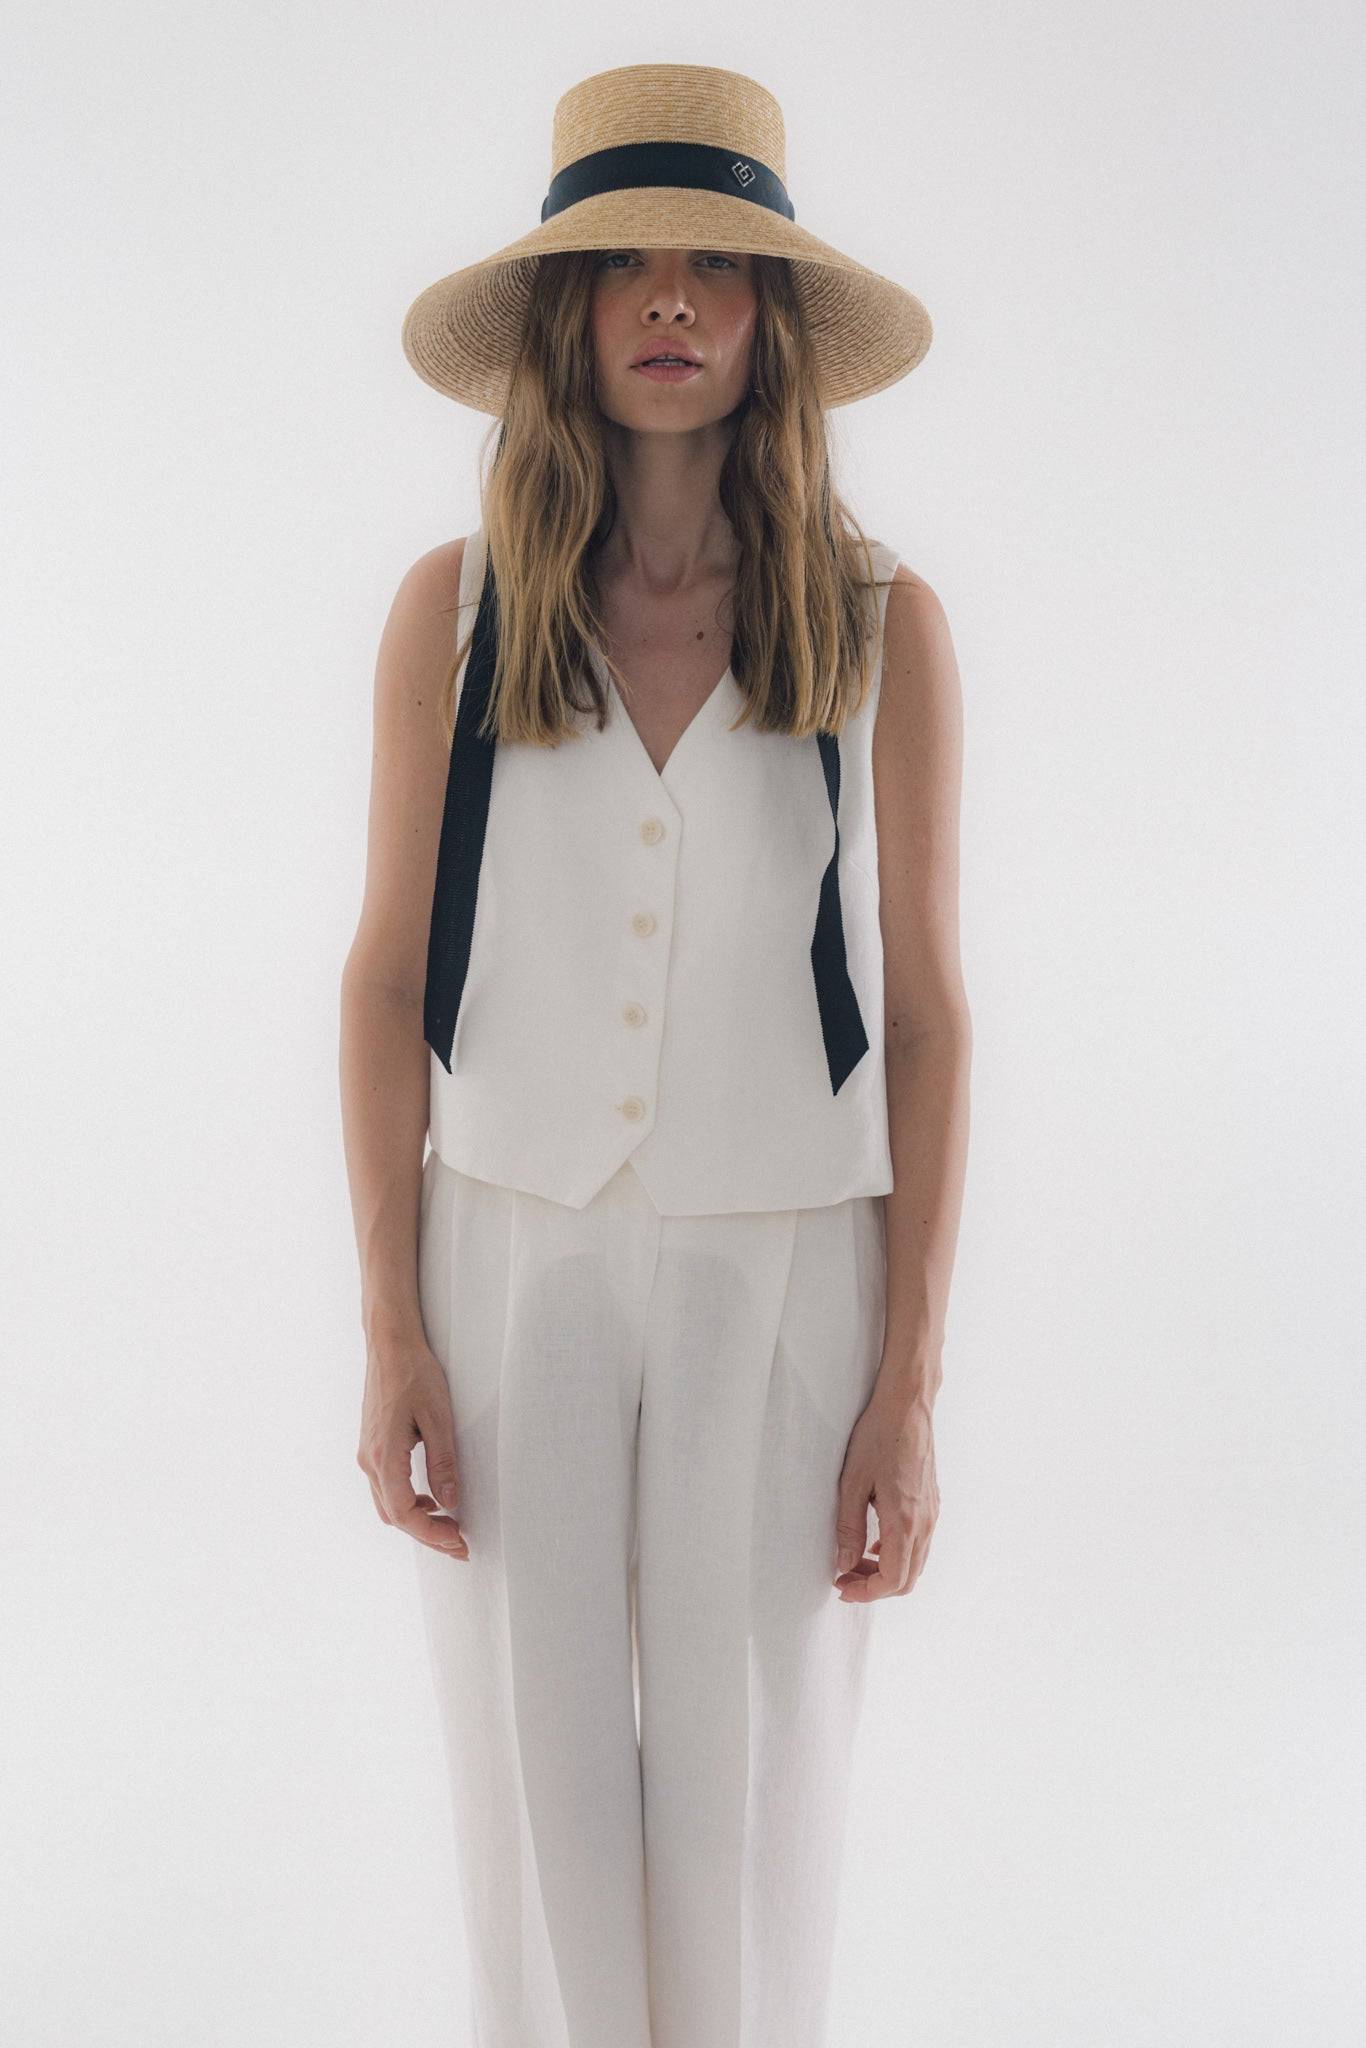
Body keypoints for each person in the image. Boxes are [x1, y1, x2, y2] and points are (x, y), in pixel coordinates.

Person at [339, 59, 971, 2048]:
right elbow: (377, 982)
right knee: (532, 1796)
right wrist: (391, 1329)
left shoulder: (878, 627)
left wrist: (907, 1381)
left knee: (749, 1791)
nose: (673, 303)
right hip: (506, 1244)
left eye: (717, 268)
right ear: (572, 317)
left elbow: (929, 1001)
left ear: (770, 324)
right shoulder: (454, 618)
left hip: (781, 1264)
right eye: (631, 270)